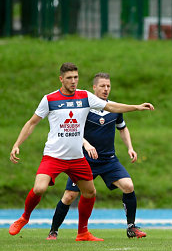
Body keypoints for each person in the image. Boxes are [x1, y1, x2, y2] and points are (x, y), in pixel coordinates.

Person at [9, 63, 154, 241]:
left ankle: (83, 232)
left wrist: (137, 107)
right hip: (54, 156)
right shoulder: (50, 99)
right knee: (40, 188)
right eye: (69, 78)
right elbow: (32, 123)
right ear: (61, 79)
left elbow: (112, 107)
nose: (73, 81)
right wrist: (17, 144)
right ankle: (24, 218)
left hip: (77, 158)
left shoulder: (85, 97)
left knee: (90, 193)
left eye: (76, 77)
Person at [46, 73, 147, 240]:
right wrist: (86, 144)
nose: (106, 89)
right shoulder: (83, 108)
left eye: (108, 86)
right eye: (102, 86)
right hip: (84, 160)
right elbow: (73, 130)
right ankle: (53, 231)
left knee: (128, 185)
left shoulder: (114, 108)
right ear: (94, 88)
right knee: (69, 196)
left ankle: (131, 227)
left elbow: (122, 128)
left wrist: (130, 147)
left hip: (108, 160)